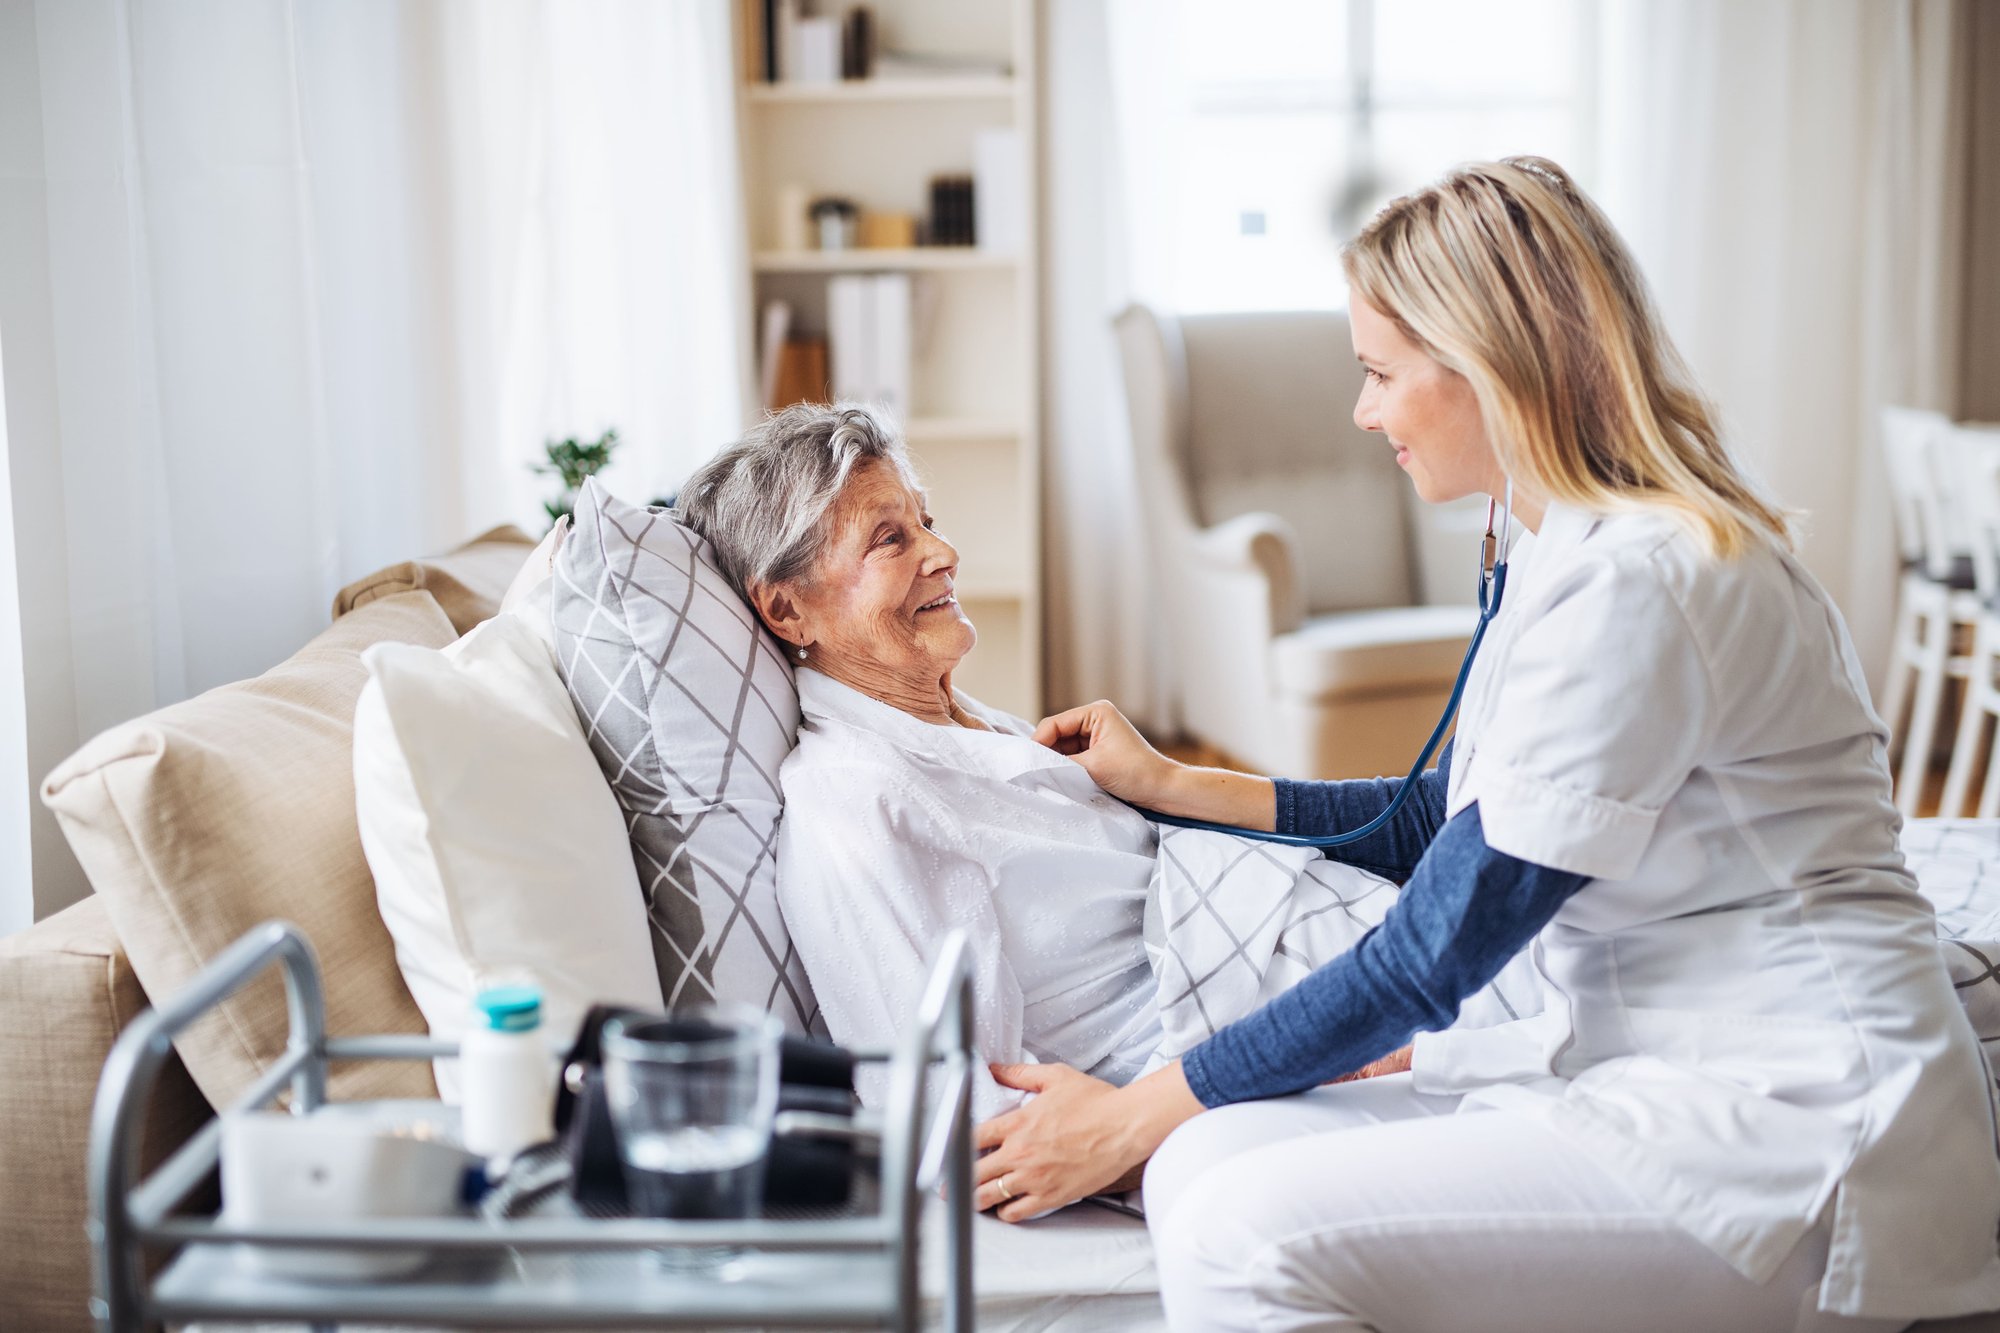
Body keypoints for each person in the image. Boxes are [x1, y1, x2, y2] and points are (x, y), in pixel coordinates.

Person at [971, 157, 2000, 1332]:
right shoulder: (1559, 541)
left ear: (1489, 369)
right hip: (1649, 1063)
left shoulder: (1643, 580)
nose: (1362, 413)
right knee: (1198, 1164)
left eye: (1376, 373)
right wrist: (1168, 783)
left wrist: (1129, 1108)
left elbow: (1432, 951)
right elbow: (1436, 821)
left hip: (1795, 1124)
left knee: (1234, 1229)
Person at [677, 405, 1436, 1125]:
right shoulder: (859, 803)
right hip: (1318, 1032)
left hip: (1371, 948)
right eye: (889, 540)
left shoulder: (968, 727)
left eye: (926, 523)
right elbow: (955, 1109)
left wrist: (1163, 785)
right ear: (786, 611)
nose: (944, 554)